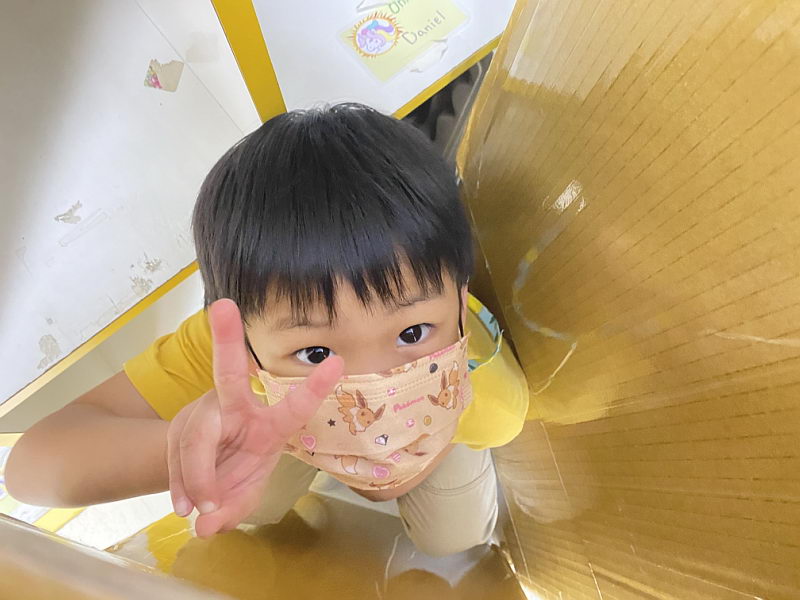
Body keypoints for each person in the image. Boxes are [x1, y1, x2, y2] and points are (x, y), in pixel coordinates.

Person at [6, 104, 526, 556]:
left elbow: (403, 477)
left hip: (443, 439)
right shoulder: (223, 349)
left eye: (412, 334)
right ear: (246, 343)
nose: (370, 382)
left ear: (460, 303)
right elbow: (29, 469)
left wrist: (393, 465)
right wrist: (196, 450)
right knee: (241, 506)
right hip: (276, 433)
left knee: (454, 540)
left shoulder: (489, 397)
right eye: (316, 352)